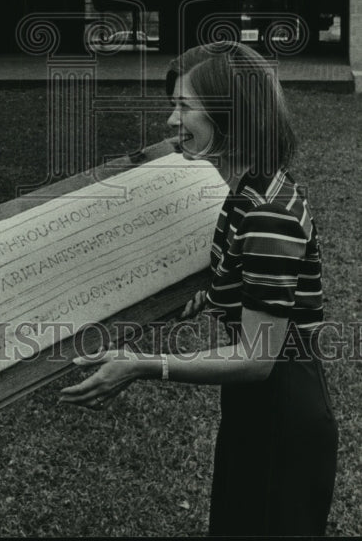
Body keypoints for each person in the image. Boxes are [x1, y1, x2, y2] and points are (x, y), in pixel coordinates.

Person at [60, 41, 338, 537]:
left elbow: (256, 359)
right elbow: (260, 289)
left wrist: (144, 365)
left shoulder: (266, 212)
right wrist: (210, 297)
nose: (171, 120)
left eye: (185, 106)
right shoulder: (250, 190)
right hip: (262, 406)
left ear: (232, 113)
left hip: (281, 412)